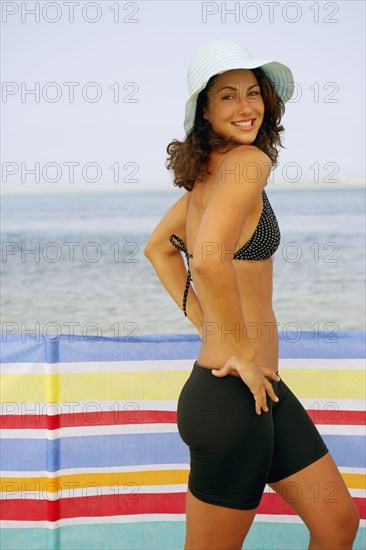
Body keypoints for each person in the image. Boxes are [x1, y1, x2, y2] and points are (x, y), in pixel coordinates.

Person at [144, 39, 359, 550]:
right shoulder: (247, 163)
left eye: (253, 93)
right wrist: (237, 349)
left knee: (337, 524)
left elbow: (159, 250)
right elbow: (211, 258)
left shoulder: (210, 176)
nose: (246, 107)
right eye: (227, 96)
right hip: (230, 397)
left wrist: (210, 327)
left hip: (261, 391)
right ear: (205, 109)